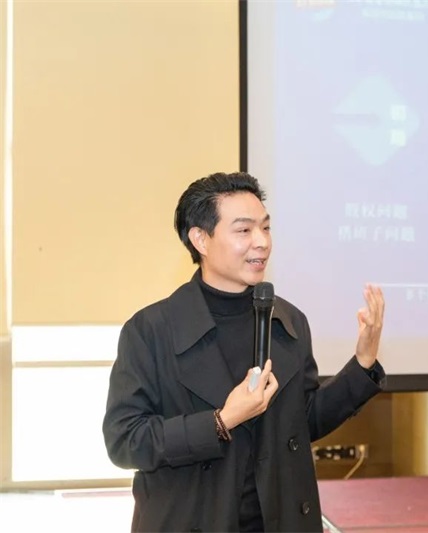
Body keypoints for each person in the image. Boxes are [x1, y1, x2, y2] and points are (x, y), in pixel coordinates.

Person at [102, 172, 386, 532]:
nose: (262, 242)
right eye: (244, 230)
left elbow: (303, 421)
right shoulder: (151, 330)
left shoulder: (288, 321)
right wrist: (220, 421)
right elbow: (126, 440)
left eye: (265, 228)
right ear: (201, 239)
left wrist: (362, 362)